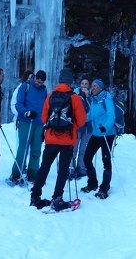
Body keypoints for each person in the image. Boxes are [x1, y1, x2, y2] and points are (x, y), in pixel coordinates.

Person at [30, 68, 86, 211]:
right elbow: (81, 121)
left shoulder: (50, 96)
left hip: (51, 138)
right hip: (67, 140)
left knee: (44, 167)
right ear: (70, 82)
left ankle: (35, 196)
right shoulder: (74, 97)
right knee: (63, 170)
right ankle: (57, 198)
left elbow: (43, 118)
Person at [8, 70, 47, 184]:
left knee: (36, 149)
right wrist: (26, 112)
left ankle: (33, 173)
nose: (39, 84)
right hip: (26, 121)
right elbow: (18, 103)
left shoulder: (43, 90)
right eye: (38, 81)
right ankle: (16, 172)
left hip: (39, 123)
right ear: (34, 77)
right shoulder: (25, 87)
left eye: (41, 82)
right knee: (23, 147)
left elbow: (45, 105)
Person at [81, 79, 116, 199]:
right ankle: (92, 183)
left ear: (101, 88)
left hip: (107, 134)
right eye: (92, 86)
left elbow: (112, 116)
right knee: (87, 158)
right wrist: (79, 121)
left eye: (95, 86)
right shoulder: (94, 100)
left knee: (105, 160)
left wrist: (105, 127)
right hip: (96, 134)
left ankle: (105, 187)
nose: (93, 88)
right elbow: (90, 115)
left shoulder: (107, 98)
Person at [71, 78, 92, 179]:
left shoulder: (92, 97)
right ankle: (71, 168)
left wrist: (88, 97)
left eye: (86, 84)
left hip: (88, 126)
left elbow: (93, 108)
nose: (84, 86)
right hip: (78, 126)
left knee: (83, 149)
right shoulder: (75, 95)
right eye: (83, 83)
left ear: (89, 86)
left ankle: (81, 169)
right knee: (74, 148)